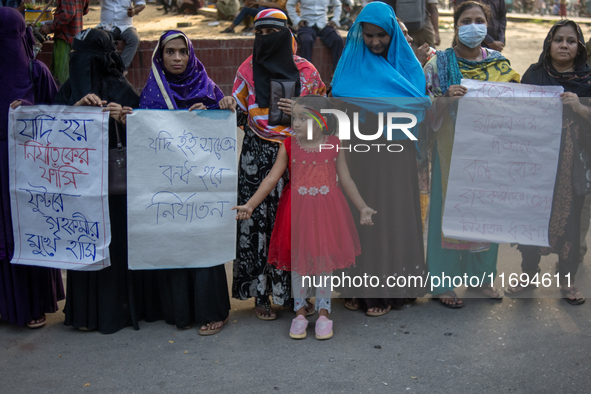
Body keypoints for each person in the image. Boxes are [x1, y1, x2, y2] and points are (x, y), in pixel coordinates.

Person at [233, 96, 376, 339]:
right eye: (294, 118)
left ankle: (323, 313)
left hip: (327, 212)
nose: (295, 123)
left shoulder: (333, 144)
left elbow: (347, 180)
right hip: (296, 212)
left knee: (323, 264)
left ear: (319, 121)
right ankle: (299, 312)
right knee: (298, 263)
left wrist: (362, 207)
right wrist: (250, 204)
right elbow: (271, 179)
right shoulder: (288, 145)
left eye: (302, 118)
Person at [331, 1, 431, 316]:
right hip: (359, 156)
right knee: (361, 217)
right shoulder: (349, 63)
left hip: (396, 156)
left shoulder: (408, 66)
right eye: (369, 35)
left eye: (382, 36)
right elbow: (337, 102)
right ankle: (358, 289)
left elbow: (419, 105)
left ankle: (391, 291)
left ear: (393, 35)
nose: (375, 42)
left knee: (393, 215)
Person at [423, 1, 520, 308]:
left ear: (488, 26)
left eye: (479, 20)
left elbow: (518, 103)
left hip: (489, 155)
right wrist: (444, 100)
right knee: (448, 216)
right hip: (449, 152)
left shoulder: (500, 63)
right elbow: (422, 109)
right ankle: (443, 282)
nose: (473, 25)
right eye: (466, 20)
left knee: (485, 216)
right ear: (456, 26)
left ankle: (481, 280)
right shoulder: (438, 64)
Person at [139, 30, 235, 335]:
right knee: (176, 245)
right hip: (168, 188)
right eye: (170, 52)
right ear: (160, 56)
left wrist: (218, 111)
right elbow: (144, 139)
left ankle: (213, 310)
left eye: (182, 51)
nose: (177, 58)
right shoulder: (152, 92)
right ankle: (178, 311)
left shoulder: (207, 88)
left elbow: (228, 126)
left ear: (190, 54)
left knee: (205, 245)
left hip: (204, 189)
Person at [232, 9, 326, 320]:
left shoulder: (306, 71)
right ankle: (261, 297)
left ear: (286, 34)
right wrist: (228, 104)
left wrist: (301, 108)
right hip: (256, 154)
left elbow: (323, 118)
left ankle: (295, 296)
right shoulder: (247, 70)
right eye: (259, 33)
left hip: (297, 154)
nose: (265, 38)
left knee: (295, 226)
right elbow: (239, 113)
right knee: (257, 225)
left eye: (272, 31)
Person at [48, 28, 140, 333]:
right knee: (84, 245)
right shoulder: (68, 91)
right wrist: (74, 113)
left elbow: (149, 134)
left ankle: (118, 311)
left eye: (88, 59)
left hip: (115, 188)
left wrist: (123, 117)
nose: (81, 65)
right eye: (78, 58)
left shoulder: (122, 89)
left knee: (115, 247)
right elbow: (47, 135)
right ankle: (84, 314)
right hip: (79, 187)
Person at [505, 20, 590, 305]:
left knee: (571, 222)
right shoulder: (535, 73)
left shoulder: (587, 80)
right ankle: (528, 274)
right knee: (532, 217)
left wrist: (579, 107)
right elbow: (516, 115)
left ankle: (567, 280)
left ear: (580, 48)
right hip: (535, 163)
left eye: (571, 41)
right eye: (558, 40)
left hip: (572, 166)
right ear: (548, 44)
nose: (564, 45)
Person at [1, 7, 64, 329]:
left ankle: (31, 304)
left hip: (29, 172)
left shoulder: (36, 72)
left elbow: (61, 120)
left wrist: (31, 112)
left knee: (27, 231)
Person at [39, 0, 90, 86]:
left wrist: (51, 27)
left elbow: (68, 14)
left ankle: (62, 98)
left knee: (61, 80)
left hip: (65, 37)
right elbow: (85, 10)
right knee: (72, 77)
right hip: (75, 37)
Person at [286, 0, 344, 73]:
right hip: (307, 25)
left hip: (323, 24)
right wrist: (297, 20)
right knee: (307, 40)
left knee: (337, 39)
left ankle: (338, 72)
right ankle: (307, 72)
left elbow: (338, 4)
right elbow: (290, 4)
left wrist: (335, 19)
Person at [97, 0, 146, 71]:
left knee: (134, 39)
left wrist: (134, 11)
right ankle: (107, 68)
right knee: (103, 39)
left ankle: (121, 68)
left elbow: (141, 4)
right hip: (106, 26)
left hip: (126, 26)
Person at [221, 0, 287, 33]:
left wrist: (261, 3)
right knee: (245, 9)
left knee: (262, 8)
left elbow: (280, 6)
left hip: (282, 14)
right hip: (269, 13)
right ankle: (230, 28)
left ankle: (253, 29)